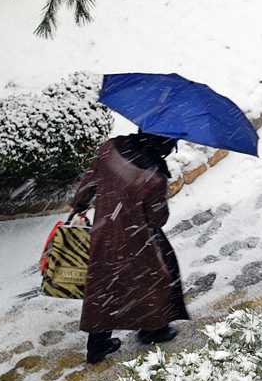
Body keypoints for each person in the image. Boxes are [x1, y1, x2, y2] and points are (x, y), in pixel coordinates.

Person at [68, 130, 189, 364]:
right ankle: (153, 329)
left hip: (104, 232)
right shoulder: (154, 175)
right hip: (137, 239)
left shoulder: (111, 148)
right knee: (157, 276)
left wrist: (80, 205)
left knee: (104, 287)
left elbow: (88, 184)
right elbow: (157, 219)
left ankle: (97, 344)